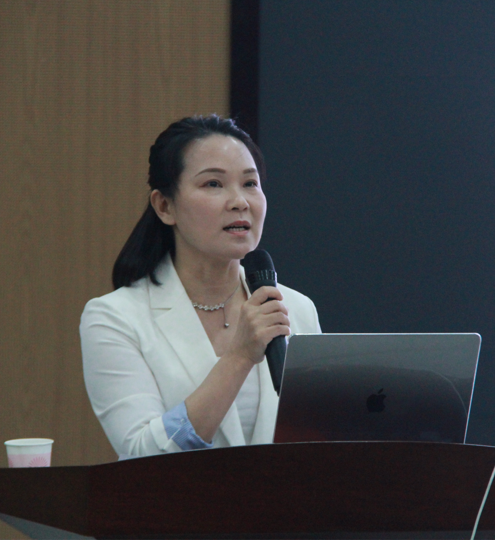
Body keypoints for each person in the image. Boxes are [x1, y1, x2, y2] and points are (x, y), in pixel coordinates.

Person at [80, 115, 321, 458]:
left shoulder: (295, 308)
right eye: (213, 184)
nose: (240, 201)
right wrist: (239, 357)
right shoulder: (115, 318)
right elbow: (141, 454)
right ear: (165, 206)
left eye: (250, 183)